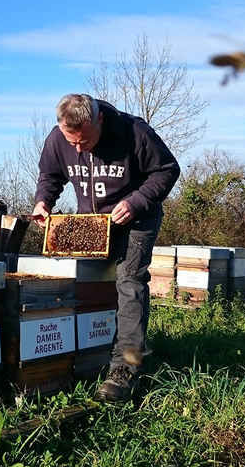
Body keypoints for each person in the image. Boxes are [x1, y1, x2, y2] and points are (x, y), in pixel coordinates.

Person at [33, 93, 180, 401]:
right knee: (86, 282)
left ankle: (125, 368)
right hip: (92, 223)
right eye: (70, 141)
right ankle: (90, 354)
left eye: (83, 141)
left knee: (129, 281)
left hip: (136, 219)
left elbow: (167, 170)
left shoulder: (134, 132)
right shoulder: (58, 139)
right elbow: (50, 174)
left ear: (98, 119)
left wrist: (136, 202)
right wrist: (43, 201)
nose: (76, 148)